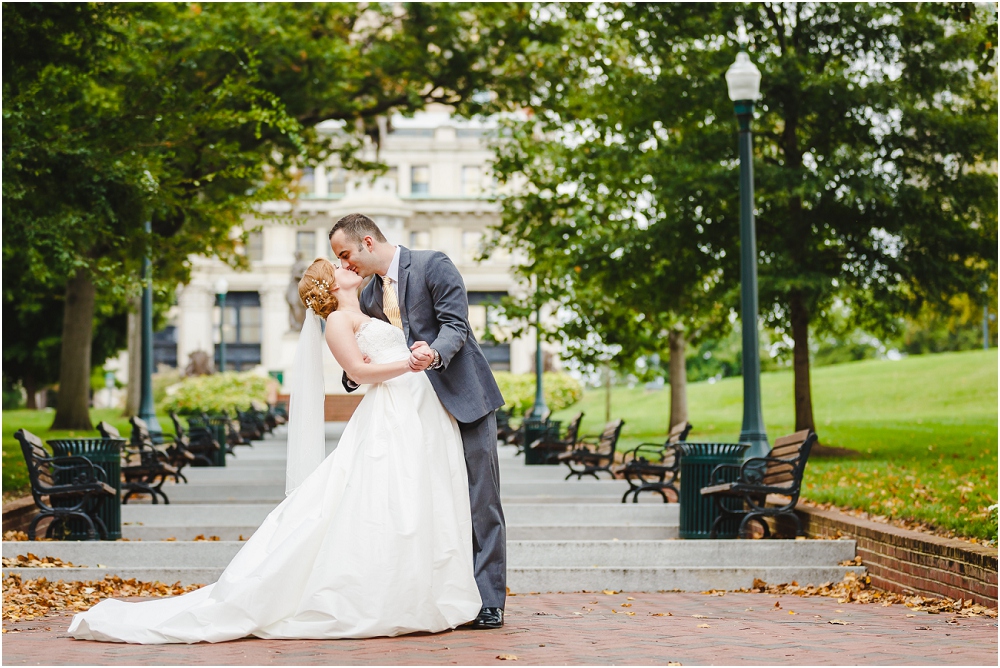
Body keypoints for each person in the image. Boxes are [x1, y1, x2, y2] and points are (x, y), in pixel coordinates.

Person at [68, 259, 482, 643]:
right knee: (379, 499)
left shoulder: (373, 307)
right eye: (336, 265)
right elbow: (357, 372)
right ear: (330, 286)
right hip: (390, 410)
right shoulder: (337, 321)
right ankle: (377, 595)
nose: (346, 264)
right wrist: (408, 365)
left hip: (415, 409)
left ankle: (414, 587)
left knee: (411, 499)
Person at [329, 213, 507, 629]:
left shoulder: (432, 264)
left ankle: (489, 600)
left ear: (368, 242)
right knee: (432, 501)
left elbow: (456, 326)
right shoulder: (369, 295)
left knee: (481, 500)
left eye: (346, 254)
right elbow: (371, 348)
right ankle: (446, 592)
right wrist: (355, 368)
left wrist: (434, 354)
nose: (344, 264)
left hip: (464, 398)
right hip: (412, 413)